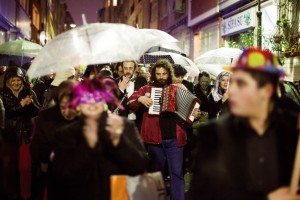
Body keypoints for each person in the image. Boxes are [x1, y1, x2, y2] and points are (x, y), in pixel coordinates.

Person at [189, 48, 300, 200]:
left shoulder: (292, 128)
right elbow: (202, 194)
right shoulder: (214, 134)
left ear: (266, 90)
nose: (232, 90)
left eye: (241, 84)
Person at [52, 77, 148, 200]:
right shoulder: (66, 133)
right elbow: (61, 175)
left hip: (119, 195)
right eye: (86, 98)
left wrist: (119, 141)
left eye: (97, 97)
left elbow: (140, 165)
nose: (92, 102)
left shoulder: (123, 126)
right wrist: (88, 147)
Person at [128, 59, 190, 200]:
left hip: (175, 138)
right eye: (158, 74)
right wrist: (140, 99)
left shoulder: (179, 89)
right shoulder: (147, 89)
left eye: (164, 73)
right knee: (156, 175)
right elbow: (130, 102)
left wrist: (195, 115)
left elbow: (191, 110)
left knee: (177, 174)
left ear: (169, 74)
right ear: (154, 75)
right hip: (155, 139)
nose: (161, 76)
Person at [30, 80, 78, 200]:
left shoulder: (85, 116)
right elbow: (36, 146)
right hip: (54, 174)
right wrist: (49, 154)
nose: (67, 111)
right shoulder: (46, 117)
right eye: (63, 106)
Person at [1, 66, 41, 200]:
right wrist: (21, 105)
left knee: (25, 169)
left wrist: (29, 104)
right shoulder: (3, 95)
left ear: (22, 80)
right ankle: (11, 195)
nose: (16, 83)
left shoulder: (30, 92)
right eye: (12, 80)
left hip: (25, 136)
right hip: (9, 137)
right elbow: (7, 113)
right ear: (7, 82)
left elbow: (37, 112)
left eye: (18, 80)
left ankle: (25, 195)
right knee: (8, 169)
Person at [115, 60, 147, 130]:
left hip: (138, 120)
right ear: (122, 68)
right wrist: (120, 89)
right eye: (125, 68)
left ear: (135, 69)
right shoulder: (115, 81)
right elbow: (113, 103)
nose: (128, 71)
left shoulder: (142, 80)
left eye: (130, 68)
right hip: (121, 120)